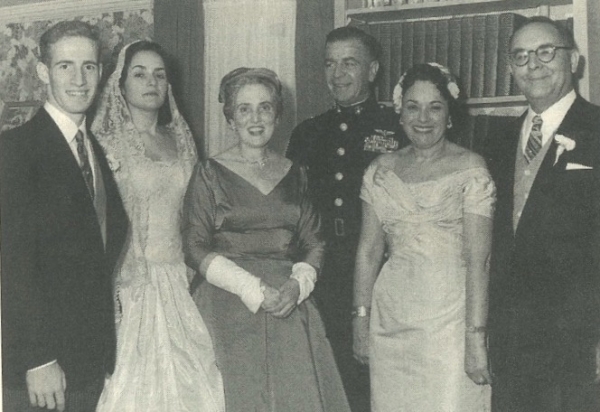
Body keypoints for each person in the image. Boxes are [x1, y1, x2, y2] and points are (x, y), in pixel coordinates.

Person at [183, 67, 351, 412]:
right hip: (225, 304)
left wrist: (296, 287)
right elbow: (194, 247)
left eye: (265, 107)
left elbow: (314, 241)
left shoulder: (296, 172)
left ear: (277, 114)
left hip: (288, 307)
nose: (255, 118)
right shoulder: (208, 173)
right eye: (244, 109)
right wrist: (251, 288)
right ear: (230, 117)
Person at [90, 40, 225, 411]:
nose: (151, 82)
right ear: (120, 83)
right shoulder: (104, 145)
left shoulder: (181, 141)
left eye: (159, 75)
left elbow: (196, 213)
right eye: (140, 73)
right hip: (131, 283)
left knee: (196, 382)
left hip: (180, 280)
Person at [0, 21, 128, 412]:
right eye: (65, 66)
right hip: (41, 371)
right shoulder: (15, 149)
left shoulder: (94, 151)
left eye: (89, 66)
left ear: (101, 72)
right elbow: (11, 262)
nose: (79, 79)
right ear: (43, 72)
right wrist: (38, 358)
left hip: (87, 360)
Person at [353, 63, 495, 411]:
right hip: (391, 321)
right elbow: (369, 251)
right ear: (400, 112)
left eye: (435, 106)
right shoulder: (380, 170)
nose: (423, 118)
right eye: (413, 106)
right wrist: (360, 319)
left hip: (450, 323)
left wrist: (475, 338)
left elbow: (481, 261)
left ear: (449, 114)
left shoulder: (472, 169)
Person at [286, 26, 405, 412]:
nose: (337, 74)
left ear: (372, 71)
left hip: (379, 271)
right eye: (330, 64)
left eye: (349, 63)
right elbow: (292, 211)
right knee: (325, 379)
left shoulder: (396, 127)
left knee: (375, 380)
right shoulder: (307, 133)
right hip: (322, 273)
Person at [487, 16, 600, 412]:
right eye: (520, 56)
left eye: (545, 51)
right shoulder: (495, 141)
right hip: (509, 342)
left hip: (578, 341)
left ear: (574, 60)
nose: (532, 64)